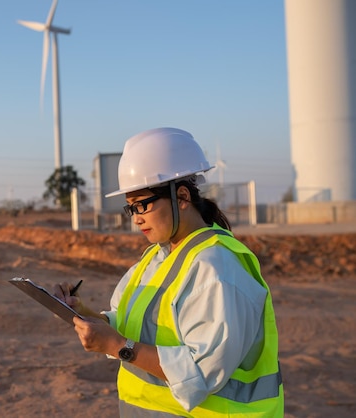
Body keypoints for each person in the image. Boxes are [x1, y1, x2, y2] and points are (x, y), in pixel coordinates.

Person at [54, 127, 283, 417]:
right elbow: (132, 328)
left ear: (182, 197)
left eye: (142, 205)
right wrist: (85, 313)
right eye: (130, 209)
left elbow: (201, 372)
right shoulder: (155, 258)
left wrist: (118, 346)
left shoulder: (216, 268)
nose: (136, 219)